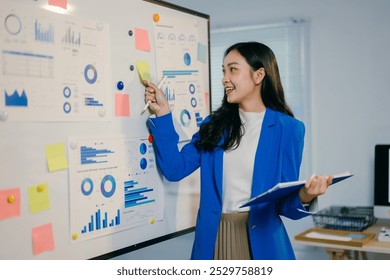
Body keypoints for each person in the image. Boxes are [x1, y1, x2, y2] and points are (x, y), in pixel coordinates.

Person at [143, 41, 333, 260]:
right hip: (213, 239)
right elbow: (174, 169)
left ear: (259, 75)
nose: (225, 78)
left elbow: (283, 203)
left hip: (262, 244)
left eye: (233, 69)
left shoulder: (289, 129)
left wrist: (307, 194)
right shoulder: (213, 125)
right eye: (223, 71)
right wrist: (163, 114)